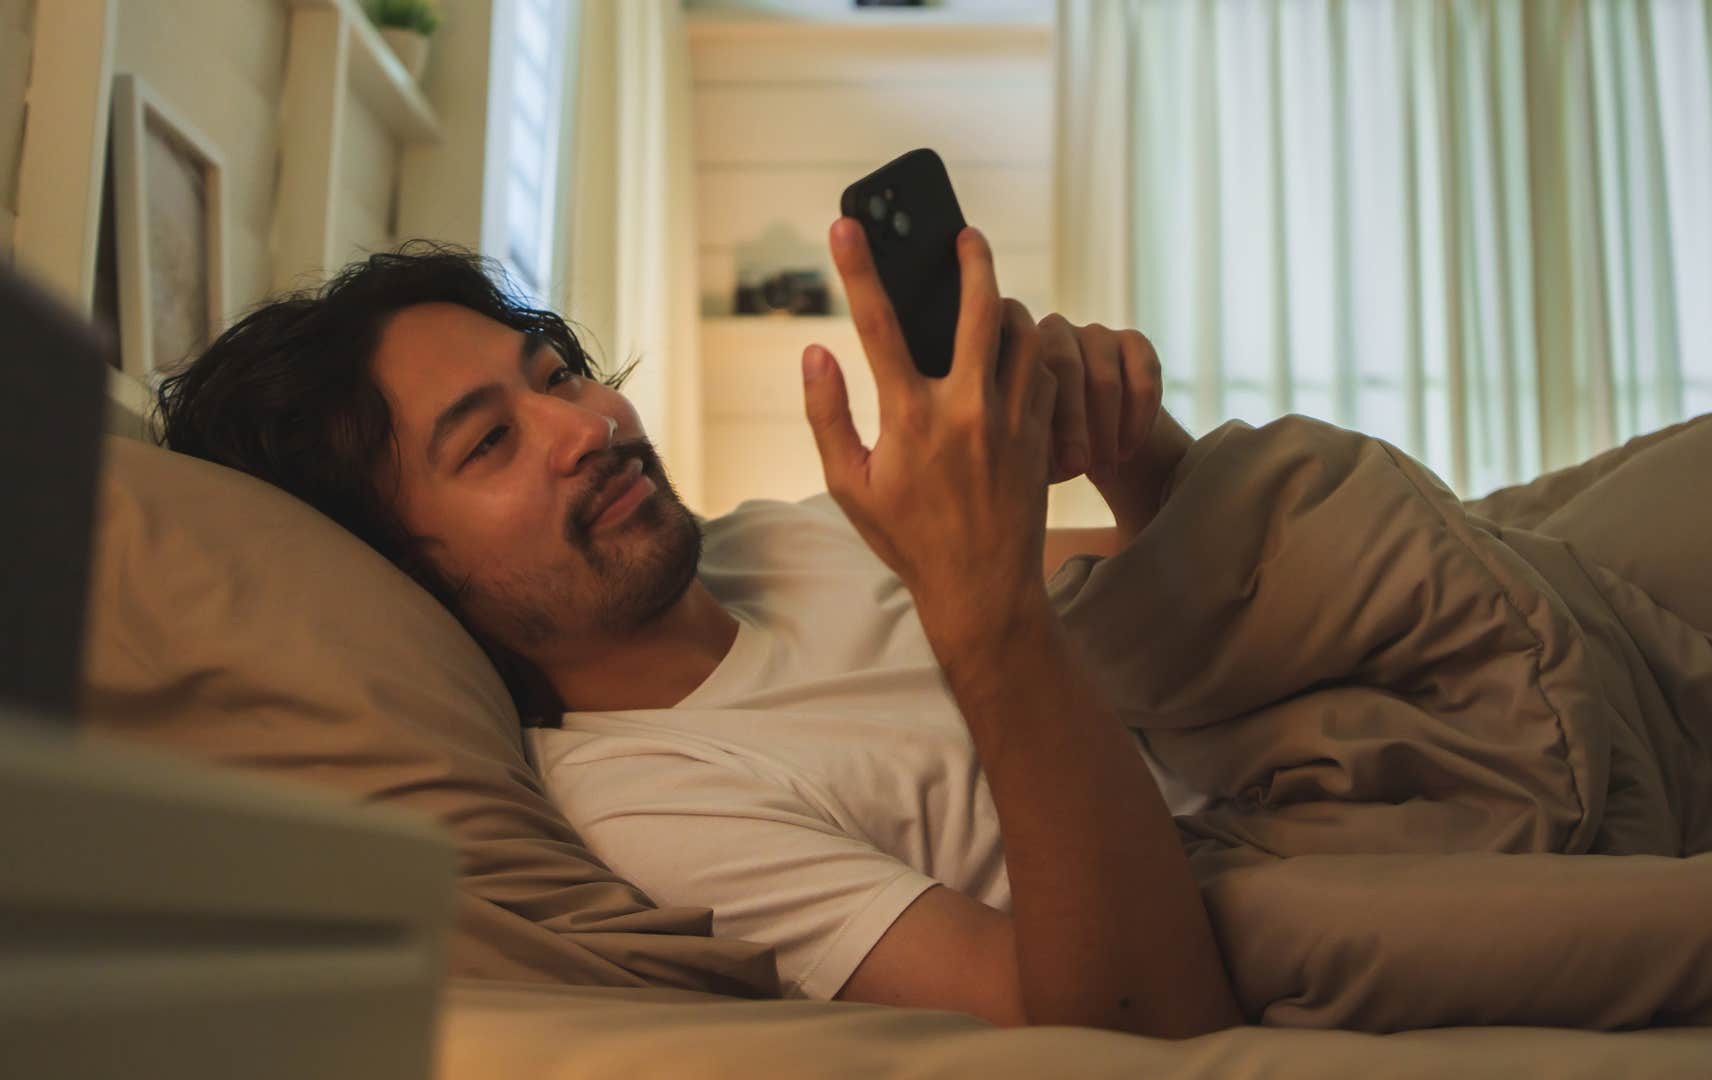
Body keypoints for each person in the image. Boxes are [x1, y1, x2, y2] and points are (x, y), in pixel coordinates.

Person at [155, 222, 1243, 1039]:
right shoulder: (650, 801)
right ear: (406, 579)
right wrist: (985, 617)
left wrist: (1122, 436)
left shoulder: (784, 538)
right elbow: (1133, 1030)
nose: (587, 426)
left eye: (555, 376)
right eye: (489, 443)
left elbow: (1202, 612)